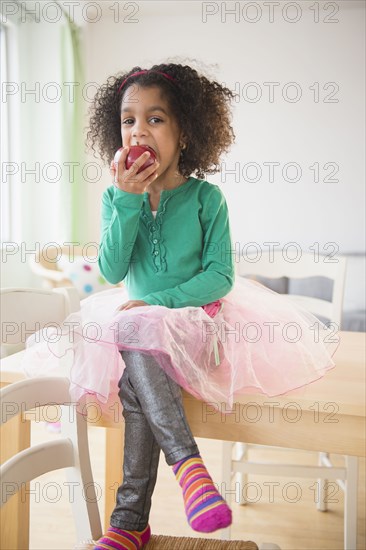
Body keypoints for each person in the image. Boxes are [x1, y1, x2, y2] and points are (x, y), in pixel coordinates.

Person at [22, 62, 339, 550]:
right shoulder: (116, 197)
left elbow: (220, 277)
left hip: (198, 326)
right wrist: (126, 200)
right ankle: (177, 480)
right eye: (128, 121)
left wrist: (158, 302)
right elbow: (111, 269)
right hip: (137, 332)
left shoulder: (205, 198)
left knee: (137, 344)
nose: (138, 131)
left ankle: (132, 520)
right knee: (135, 370)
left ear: (185, 131)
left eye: (155, 119)